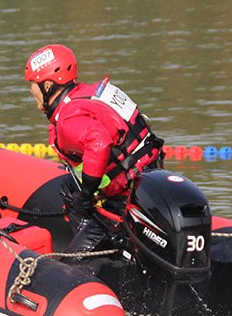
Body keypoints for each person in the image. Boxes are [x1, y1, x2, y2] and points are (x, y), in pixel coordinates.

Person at [24, 43, 163, 254]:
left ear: (48, 85)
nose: (30, 90)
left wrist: (88, 193)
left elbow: (98, 143)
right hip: (150, 178)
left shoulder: (68, 117)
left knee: (72, 264)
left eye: (33, 84)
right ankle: (90, 233)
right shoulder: (91, 93)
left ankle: (102, 248)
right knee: (69, 189)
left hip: (126, 199)